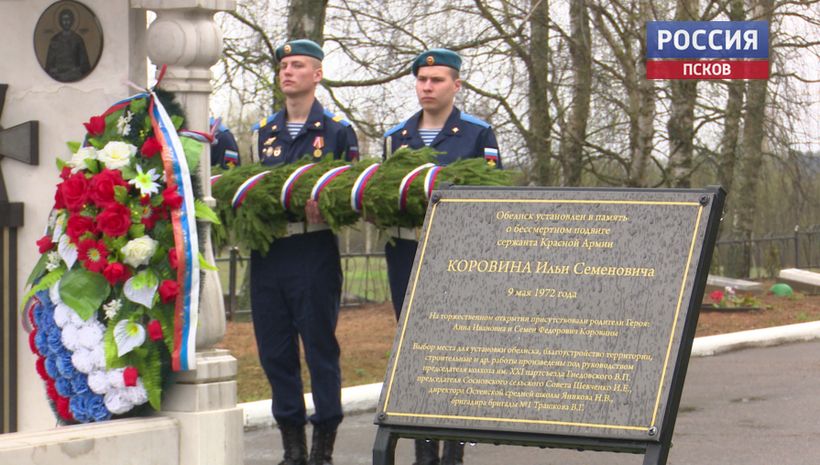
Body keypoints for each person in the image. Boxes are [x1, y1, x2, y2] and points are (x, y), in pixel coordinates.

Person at [382, 49, 502, 465]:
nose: (427, 86)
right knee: (413, 350)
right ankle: (423, 451)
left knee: (453, 353)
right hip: (406, 253)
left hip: (456, 256)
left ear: (456, 85)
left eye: (436, 80)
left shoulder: (477, 134)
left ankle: (452, 451)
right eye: (422, 79)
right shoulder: (396, 138)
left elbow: (492, 201)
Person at [250, 39, 358, 465]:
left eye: (297, 66)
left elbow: (352, 195)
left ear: (317, 75)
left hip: (313, 249)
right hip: (269, 253)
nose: (287, 72)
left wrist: (327, 205)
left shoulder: (336, 131)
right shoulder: (264, 132)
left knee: (319, 349)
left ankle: (323, 447)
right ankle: (291, 447)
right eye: (283, 66)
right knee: (274, 351)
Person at [45, 9, 91, 82]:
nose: (66, 22)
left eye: (68, 19)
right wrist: (55, 70)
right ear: (60, 21)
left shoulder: (78, 39)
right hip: (57, 77)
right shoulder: (54, 40)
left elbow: (85, 65)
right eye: (63, 19)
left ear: (72, 21)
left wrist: (75, 69)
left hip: (74, 76)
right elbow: (49, 65)